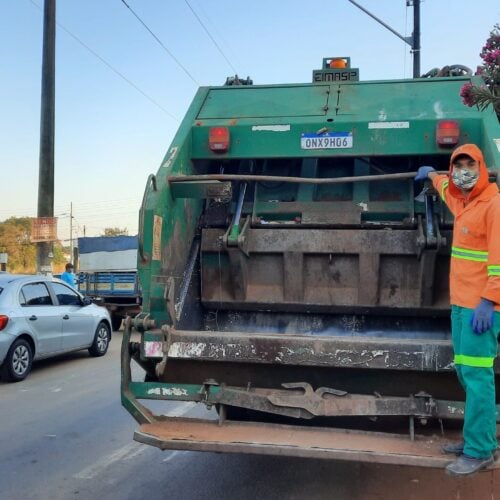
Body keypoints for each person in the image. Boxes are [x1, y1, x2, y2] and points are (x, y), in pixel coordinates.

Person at [415, 144, 500, 475]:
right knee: (466, 373)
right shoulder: (464, 203)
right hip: (463, 305)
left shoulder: (493, 205)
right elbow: (447, 189)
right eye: (458, 166)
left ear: (481, 167)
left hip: (482, 309)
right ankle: (480, 441)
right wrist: (433, 176)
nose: (464, 172)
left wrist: (489, 301)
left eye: (470, 165)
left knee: (478, 377)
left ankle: (479, 452)